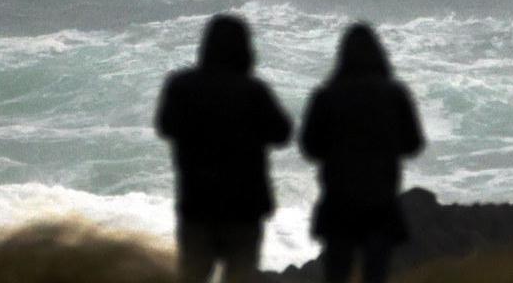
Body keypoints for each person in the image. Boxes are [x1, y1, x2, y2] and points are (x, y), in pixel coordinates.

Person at [156, 14, 293, 283]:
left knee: (192, 276)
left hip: (197, 203)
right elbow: (282, 133)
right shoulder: (253, 91)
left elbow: (165, 126)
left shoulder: (182, 86)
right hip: (244, 207)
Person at [300, 23, 426, 283]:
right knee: (376, 275)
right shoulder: (394, 94)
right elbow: (413, 144)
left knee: (336, 274)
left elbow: (310, 147)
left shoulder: (326, 96)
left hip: (338, 202)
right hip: (380, 203)